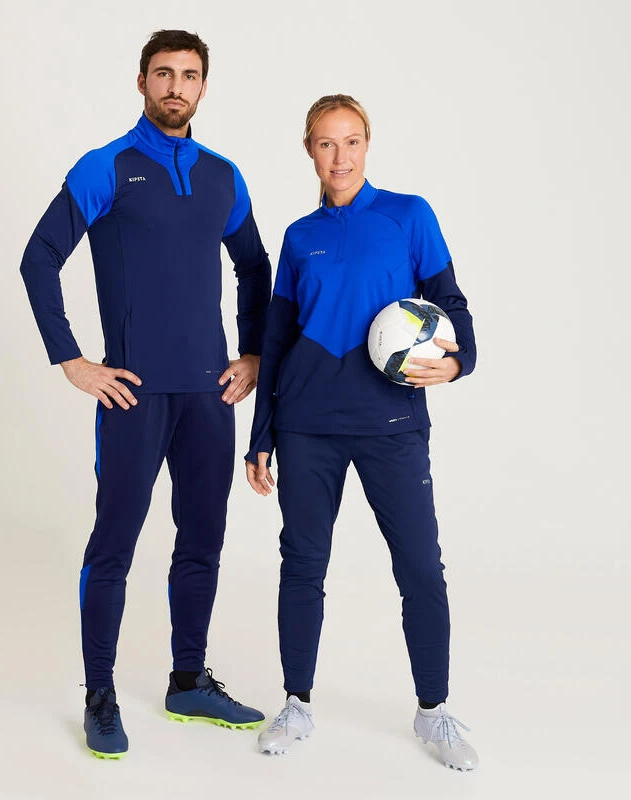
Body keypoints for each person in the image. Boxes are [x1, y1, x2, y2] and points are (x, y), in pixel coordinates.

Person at [20, 29, 271, 760]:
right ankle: (99, 694)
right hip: (132, 396)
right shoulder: (107, 166)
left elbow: (254, 267)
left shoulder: (223, 176)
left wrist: (253, 353)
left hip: (209, 396)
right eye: (163, 73)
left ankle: (188, 680)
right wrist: (72, 360)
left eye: (189, 76)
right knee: (115, 543)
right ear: (141, 82)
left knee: (203, 540)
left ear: (203, 88)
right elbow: (39, 257)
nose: (175, 87)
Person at [245, 94, 479, 770]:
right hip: (307, 426)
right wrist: (261, 436)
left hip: (392, 424)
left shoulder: (409, 215)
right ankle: (296, 703)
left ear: (367, 145)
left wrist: (460, 361)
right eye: (326, 143)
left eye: (351, 141)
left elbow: (452, 303)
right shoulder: (299, 237)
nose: (339, 156)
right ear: (309, 151)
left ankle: (433, 711)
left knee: (420, 567)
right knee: (302, 564)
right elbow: (276, 340)